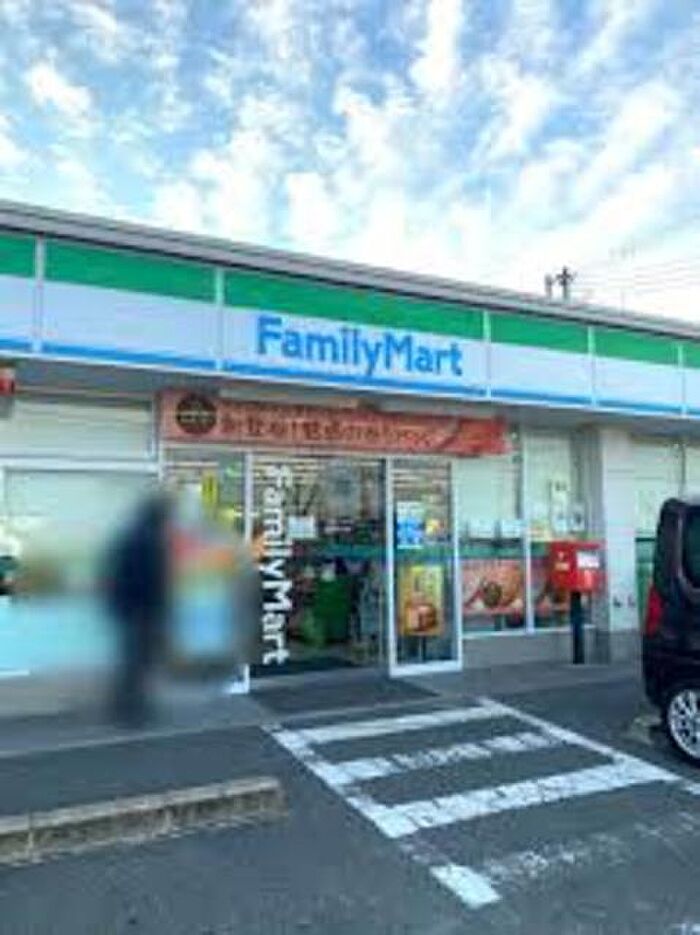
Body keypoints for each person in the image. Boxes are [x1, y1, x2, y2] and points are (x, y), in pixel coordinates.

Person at [101, 490, 171, 727]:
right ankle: (130, 711)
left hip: (130, 609)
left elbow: (117, 575)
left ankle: (126, 707)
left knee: (132, 662)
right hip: (142, 611)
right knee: (137, 662)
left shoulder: (132, 535)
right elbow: (152, 579)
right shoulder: (149, 539)